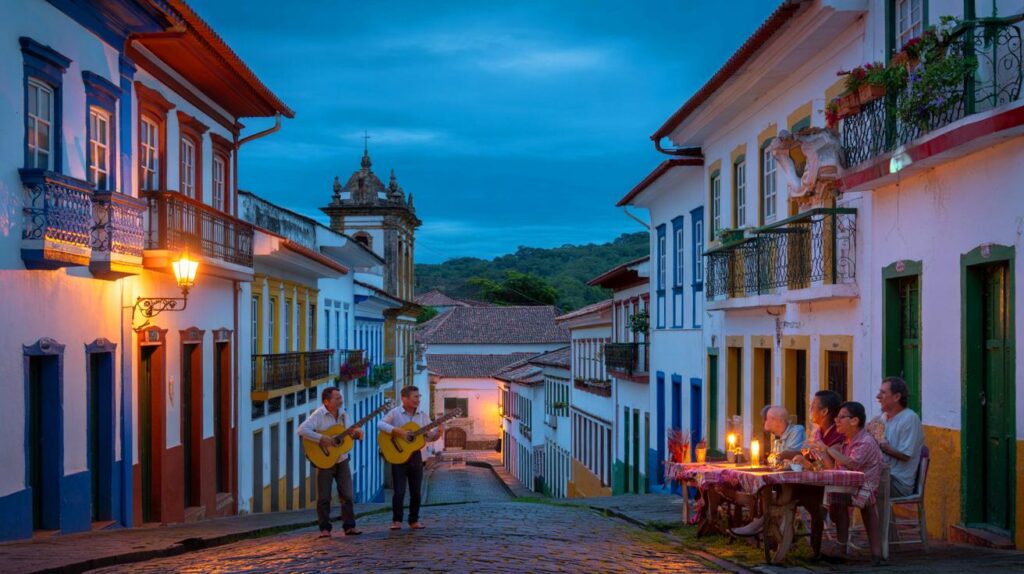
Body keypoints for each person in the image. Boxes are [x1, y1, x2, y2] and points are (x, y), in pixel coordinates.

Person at [804, 401, 885, 565]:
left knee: (832, 500)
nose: (836, 421)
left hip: (866, 487)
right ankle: (839, 547)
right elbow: (836, 467)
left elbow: (851, 463)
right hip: (850, 486)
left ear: (854, 421)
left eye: (841, 418)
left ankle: (839, 547)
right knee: (831, 498)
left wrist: (827, 449)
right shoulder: (848, 441)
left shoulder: (865, 442)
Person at [297, 386, 364, 538]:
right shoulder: (319, 414)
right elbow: (302, 430)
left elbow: (348, 436)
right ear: (327, 401)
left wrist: (356, 434)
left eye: (341, 398)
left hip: (342, 459)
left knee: (347, 495)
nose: (341, 400)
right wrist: (322, 438)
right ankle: (325, 529)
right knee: (324, 496)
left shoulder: (344, 415)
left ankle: (349, 526)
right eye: (337, 398)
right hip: (324, 460)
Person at [378, 385, 442, 530]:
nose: (418, 400)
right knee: (399, 491)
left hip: (415, 456)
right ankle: (397, 521)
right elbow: (380, 424)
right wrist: (397, 431)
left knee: (416, 491)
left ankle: (414, 520)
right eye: (415, 397)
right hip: (398, 456)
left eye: (419, 397)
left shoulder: (423, 415)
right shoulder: (395, 413)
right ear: (404, 398)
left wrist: (438, 432)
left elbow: (429, 436)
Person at [870, 376, 924, 497]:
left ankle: (880, 517)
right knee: (852, 478)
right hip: (882, 475)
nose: (878, 397)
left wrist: (880, 441)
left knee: (865, 482)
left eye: (883, 393)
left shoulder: (909, 418)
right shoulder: (883, 417)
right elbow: (869, 430)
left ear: (897, 397)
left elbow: (905, 455)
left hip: (898, 482)